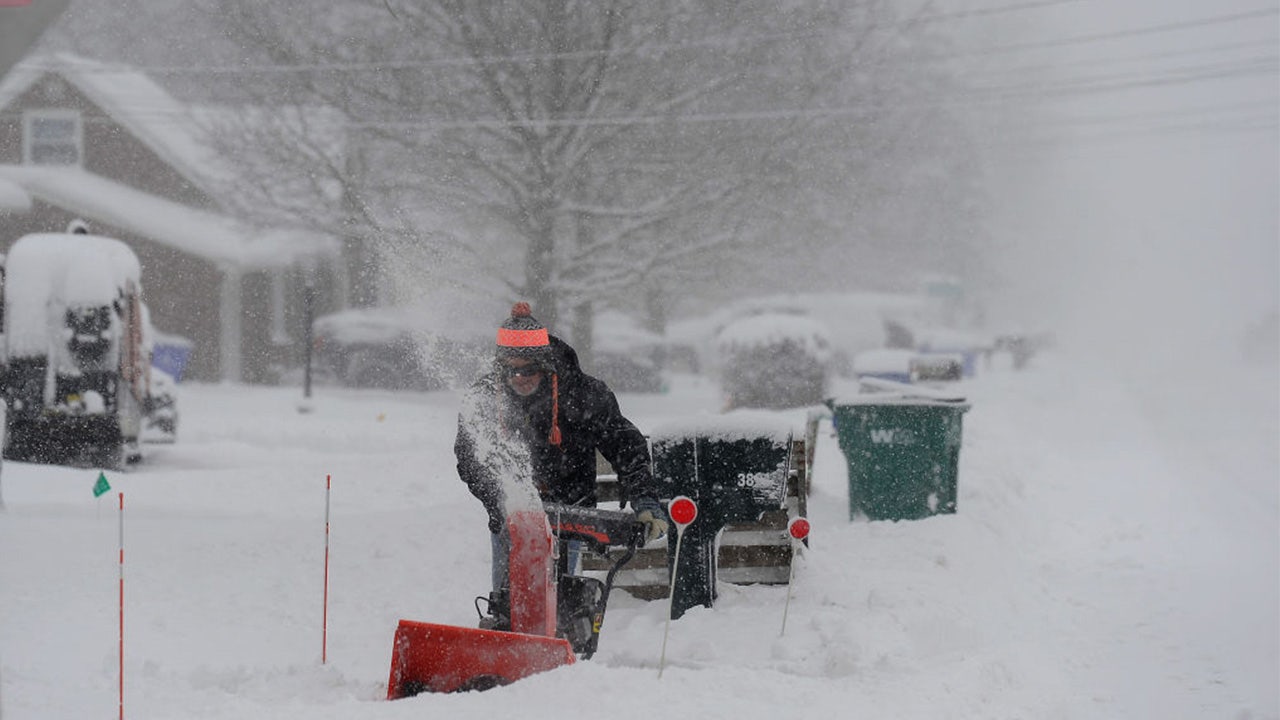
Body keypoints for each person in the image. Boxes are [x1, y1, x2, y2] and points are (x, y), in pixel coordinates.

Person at [455, 302, 668, 597]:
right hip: (509, 520)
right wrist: (500, 502)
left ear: (545, 364)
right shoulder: (484, 397)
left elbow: (626, 445)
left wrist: (644, 498)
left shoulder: (583, 394)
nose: (520, 378)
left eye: (529, 369)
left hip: (570, 516)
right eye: (511, 370)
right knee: (509, 602)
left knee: (559, 601)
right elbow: (469, 459)